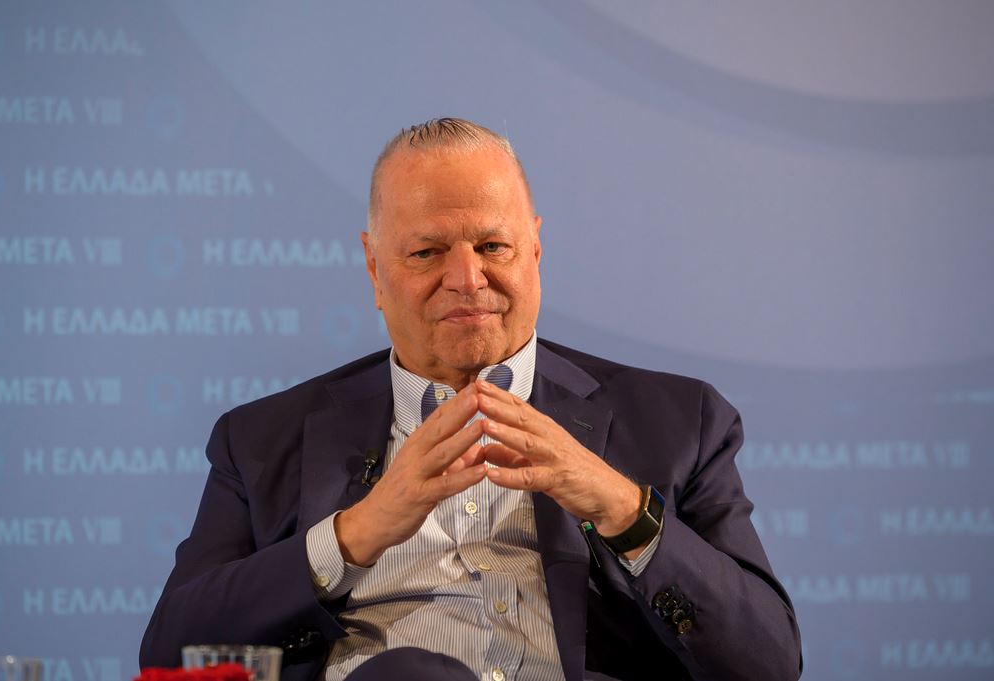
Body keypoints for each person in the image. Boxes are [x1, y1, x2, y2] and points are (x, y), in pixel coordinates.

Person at [140, 118, 802, 681]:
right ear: (374, 268)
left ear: (534, 248)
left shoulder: (680, 422)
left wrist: (619, 505)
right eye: (427, 252)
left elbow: (768, 661)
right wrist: (357, 533)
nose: (466, 277)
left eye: (493, 246)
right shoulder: (262, 440)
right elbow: (172, 654)